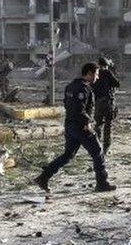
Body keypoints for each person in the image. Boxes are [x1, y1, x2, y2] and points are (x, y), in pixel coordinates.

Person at [33, 63, 113, 192]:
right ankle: (102, 183)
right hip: (81, 126)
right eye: (96, 74)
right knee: (97, 152)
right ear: (89, 73)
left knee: (67, 155)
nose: (97, 78)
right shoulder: (83, 89)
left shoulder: (71, 86)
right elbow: (79, 109)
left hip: (70, 125)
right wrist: (87, 122)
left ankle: (44, 177)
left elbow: (67, 105)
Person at [92, 57, 120, 154]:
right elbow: (117, 83)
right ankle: (106, 148)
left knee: (98, 125)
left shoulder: (94, 73)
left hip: (98, 102)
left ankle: (97, 146)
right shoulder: (107, 73)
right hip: (108, 102)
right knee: (108, 125)